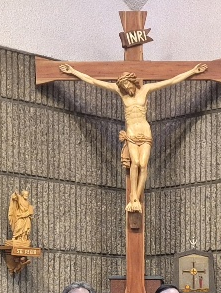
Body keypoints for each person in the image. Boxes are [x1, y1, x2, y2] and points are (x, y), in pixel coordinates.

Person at [57, 61, 208, 214]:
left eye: (128, 85)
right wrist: (73, 72)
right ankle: (133, 197)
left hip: (145, 133)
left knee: (143, 165)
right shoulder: (120, 92)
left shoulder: (145, 89)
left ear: (132, 81)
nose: (126, 89)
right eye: (123, 87)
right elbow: (94, 81)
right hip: (132, 134)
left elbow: (171, 81)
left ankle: (136, 197)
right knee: (134, 163)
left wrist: (193, 71)